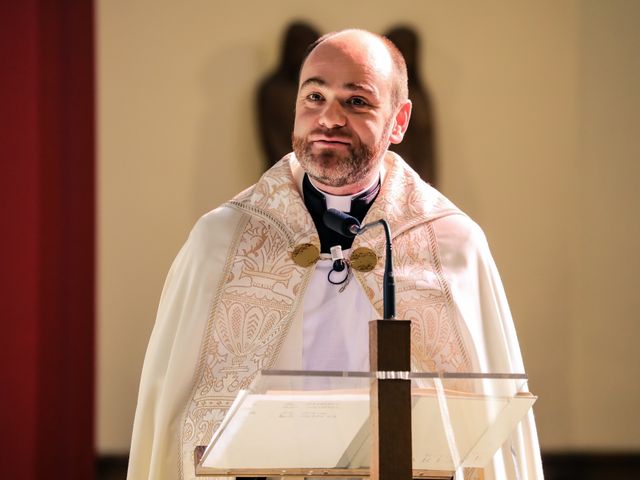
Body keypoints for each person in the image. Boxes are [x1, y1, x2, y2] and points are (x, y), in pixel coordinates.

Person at [127, 29, 544, 480]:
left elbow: (491, 439)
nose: (329, 118)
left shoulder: (452, 245)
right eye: (314, 96)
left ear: (399, 121)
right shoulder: (222, 240)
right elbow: (171, 415)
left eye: (356, 101)